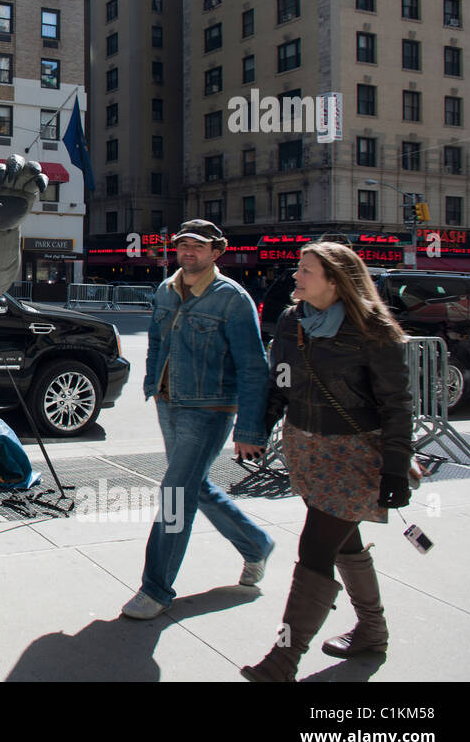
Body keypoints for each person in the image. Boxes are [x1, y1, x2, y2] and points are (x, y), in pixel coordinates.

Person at [241, 242, 412, 681]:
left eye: (307, 271)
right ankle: (372, 631)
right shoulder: (291, 321)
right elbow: (280, 383)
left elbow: (396, 404)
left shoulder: (373, 330)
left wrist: (395, 466)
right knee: (343, 541)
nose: (296, 276)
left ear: (335, 281)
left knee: (315, 547)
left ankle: (284, 657)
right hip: (307, 449)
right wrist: (256, 430)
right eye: (299, 268)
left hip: (354, 455)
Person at [122, 219, 274, 619]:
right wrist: (154, 384)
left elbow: (254, 368)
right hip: (169, 405)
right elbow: (157, 342)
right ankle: (256, 543)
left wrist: (249, 430)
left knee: (175, 494)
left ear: (216, 251)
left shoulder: (232, 299)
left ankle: (155, 589)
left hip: (209, 410)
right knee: (193, 488)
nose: (188, 252)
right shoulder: (165, 290)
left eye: (198, 246)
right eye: (183, 244)